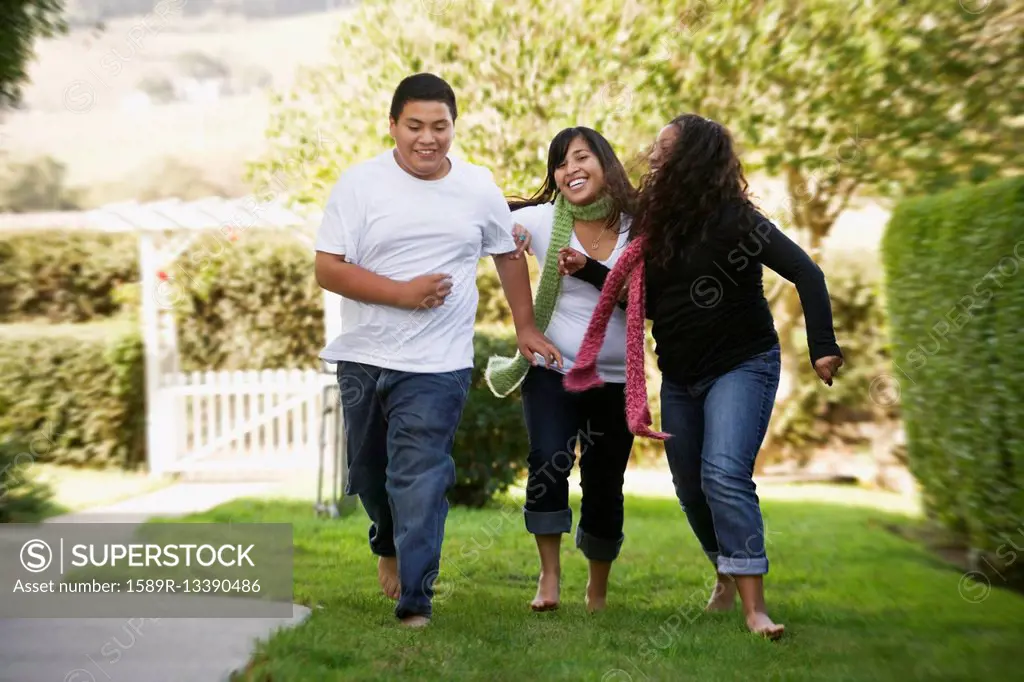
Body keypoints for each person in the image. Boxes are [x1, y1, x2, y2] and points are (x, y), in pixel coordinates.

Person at [563, 113, 844, 639]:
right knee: (690, 486)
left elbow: (806, 271)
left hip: (742, 365)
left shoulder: (736, 219)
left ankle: (755, 608)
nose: (653, 154)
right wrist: (592, 270)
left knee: (723, 474)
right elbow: (645, 303)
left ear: (692, 158)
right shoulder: (654, 222)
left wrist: (823, 347)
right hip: (681, 377)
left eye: (665, 148)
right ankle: (725, 568)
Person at [314, 72, 561, 628]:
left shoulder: (477, 186)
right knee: (370, 473)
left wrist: (524, 325)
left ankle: (416, 602)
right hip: (364, 356)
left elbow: (507, 253)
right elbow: (327, 268)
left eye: (440, 126)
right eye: (416, 126)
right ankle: (387, 543)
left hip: (438, 363)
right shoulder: (359, 185)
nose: (428, 138)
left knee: (421, 474)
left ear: (454, 127)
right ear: (394, 126)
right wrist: (402, 294)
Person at [484, 127, 637, 613]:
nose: (570, 169)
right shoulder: (544, 220)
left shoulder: (639, 225)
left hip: (614, 377)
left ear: (605, 163)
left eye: (581, 157)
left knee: (605, 479)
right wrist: (524, 326)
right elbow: (493, 235)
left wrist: (591, 268)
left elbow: (643, 301)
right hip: (554, 369)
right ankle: (548, 578)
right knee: (548, 461)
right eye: (560, 163)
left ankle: (597, 588)